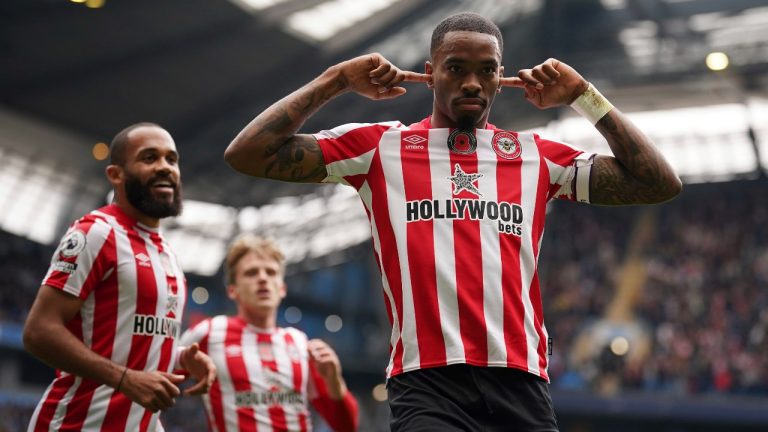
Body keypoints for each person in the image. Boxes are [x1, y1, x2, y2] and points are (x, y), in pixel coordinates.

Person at [223, 12, 681, 431]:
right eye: (456, 68)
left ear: (501, 78)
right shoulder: (379, 149)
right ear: (430, 73)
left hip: (520, 383)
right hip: (427, 387)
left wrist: (584, 95)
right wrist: (337, 79)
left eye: (487, 70)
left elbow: (658, 182)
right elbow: (247, 154)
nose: (472, 82)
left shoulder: (534, 156)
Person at [24, 122, 217, 431]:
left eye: (172, 159)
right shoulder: (96, 233)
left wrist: (180, 359)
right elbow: (38, 332)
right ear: (116, 175)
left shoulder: (167, 252)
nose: (165, 167)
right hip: (77, 424)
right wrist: (125, 379)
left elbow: (131, 344)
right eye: (150, 158)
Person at [179, 234, 359, 432]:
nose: (263, 278)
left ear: (282, 289)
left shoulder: (299, 343)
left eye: (271, 272)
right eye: (251, 273)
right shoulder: (209, 332)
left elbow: (347, 426)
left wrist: (335, 381)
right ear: (232, 290)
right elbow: (156, 380)